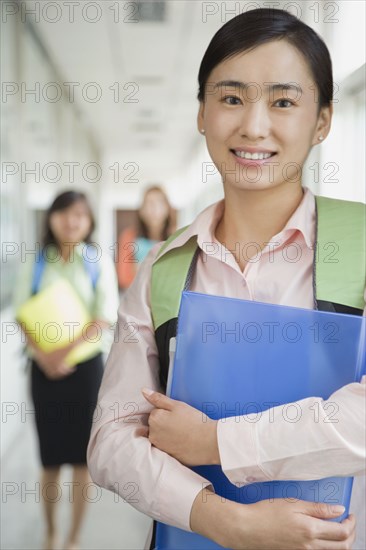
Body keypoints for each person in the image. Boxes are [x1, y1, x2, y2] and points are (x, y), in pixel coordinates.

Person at [87, 8, 365, 550]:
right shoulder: (164, 268)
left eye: (283, 102)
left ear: (323, 120)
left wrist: (216, 441)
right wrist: (227, 522)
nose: (253, 126)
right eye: (231, 98)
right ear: (202, 113)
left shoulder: (361, 245)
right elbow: (111, 441)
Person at [14, 191, 119, 550]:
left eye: (79, 215)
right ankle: (50, 531)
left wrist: (63, 353)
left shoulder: (95, 261)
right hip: (43, 370)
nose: (71, 221)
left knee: (80, 459)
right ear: (51, 218)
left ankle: (73, 537)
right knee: (49, 458)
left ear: (89, 221)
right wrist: (45, 357)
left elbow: (103, 316)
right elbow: (21, 312)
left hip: (86, 371)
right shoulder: (37, 262)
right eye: (64, 213)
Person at [116, 185, 175, 290]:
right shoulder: (128, 237)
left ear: (167, 208)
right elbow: (123, 278)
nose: (154, 208)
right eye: (149, 203)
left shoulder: (178, 239)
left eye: (159, 203)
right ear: (141, 210)